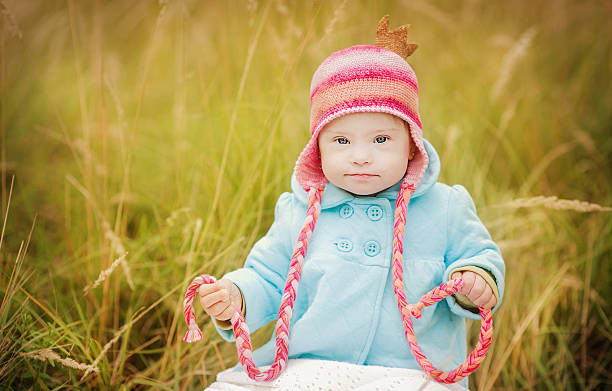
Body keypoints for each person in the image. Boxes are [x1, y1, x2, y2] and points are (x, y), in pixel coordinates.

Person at [197, 16, 505, 391]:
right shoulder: (301, 210)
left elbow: (480, 256)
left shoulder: (445, 207)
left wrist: (476, 282)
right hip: (309, 368)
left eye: (380, 140)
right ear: (318, 148)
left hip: (412, 373)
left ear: (411, 144)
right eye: (341, 141)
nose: (361, 156)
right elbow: (269, 276)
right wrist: (237, 297)